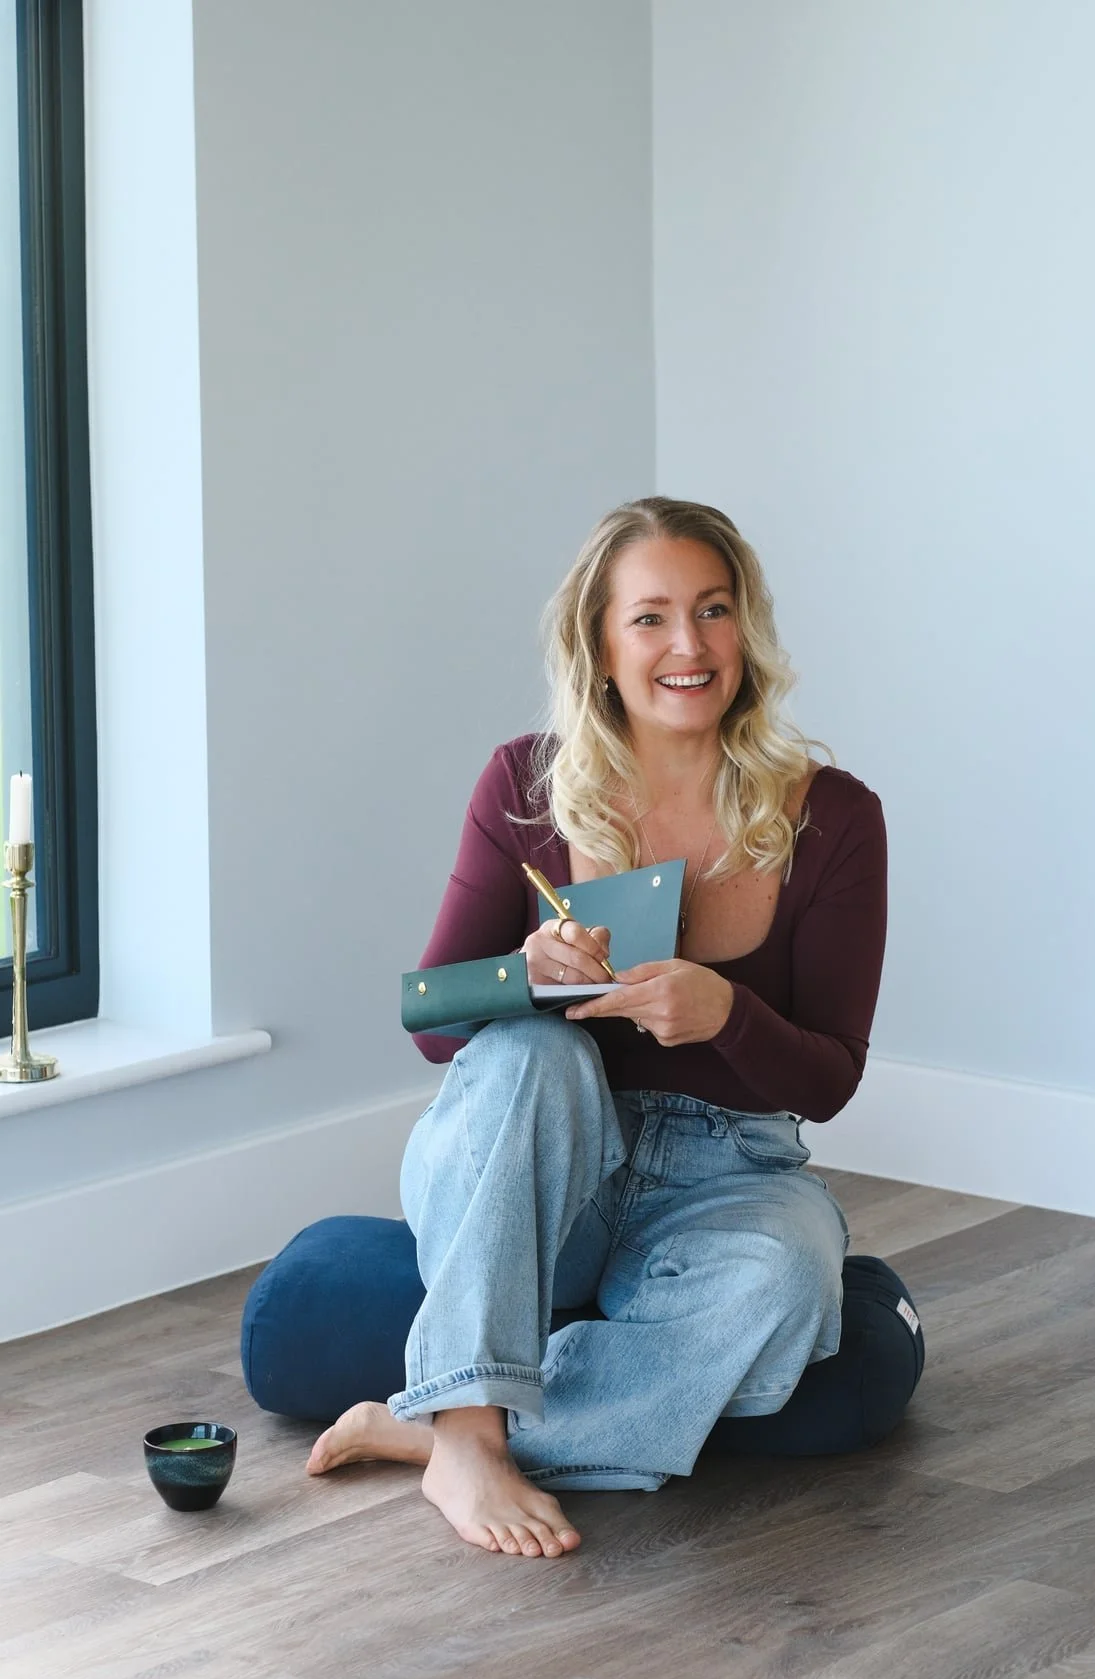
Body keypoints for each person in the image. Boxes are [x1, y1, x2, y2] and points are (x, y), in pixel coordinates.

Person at [307, 496, 888, 1557]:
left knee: (794, 1279)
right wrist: (521, 977)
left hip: (723, 1175)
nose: (687, 646)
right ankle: (474, 1436)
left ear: (745, 633)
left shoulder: (833, 816)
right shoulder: (525, 783)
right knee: (534, 1053)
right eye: (651, 618)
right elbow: (429, 1018)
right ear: (600, 644)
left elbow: (829, 1078)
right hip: (533, 1166)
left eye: (713, 613)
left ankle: (420, 1426)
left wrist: (726, 1011)